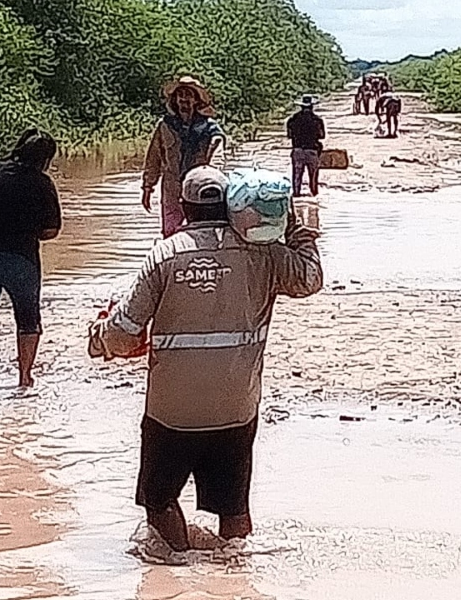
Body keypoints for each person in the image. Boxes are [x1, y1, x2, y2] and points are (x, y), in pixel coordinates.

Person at [88, 165, 322, 551]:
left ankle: (174, 570)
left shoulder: (163, 256)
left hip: (171, 413)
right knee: (233, 510)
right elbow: (310, 279)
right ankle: (235, 579)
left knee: (160, 502)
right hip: (237, 407)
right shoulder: (264, 253)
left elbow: (124, 332)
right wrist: (300, 230)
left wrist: (99, 340)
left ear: (183, 207)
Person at [0, 128, 61, 387]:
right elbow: (52, 230)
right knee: (28, 320)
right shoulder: (42, 183)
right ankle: (24, 377)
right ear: (45, 159)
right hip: (22, 262)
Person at [141, 76, 225, 238]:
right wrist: (147, 187)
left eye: (189, 95)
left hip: (198, 189)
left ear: (196, 101)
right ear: (175, 100)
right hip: (171, 189)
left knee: (200, 233)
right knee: (170, 234)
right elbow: (154, 159)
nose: (184, 99)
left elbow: (218, 158)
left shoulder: (210, 129)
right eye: (181, 95)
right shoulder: (165, 126)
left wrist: (211, 181)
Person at [286, 95, 326, 197]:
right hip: (312, 151)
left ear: (301, 107)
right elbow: (322, 136)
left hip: (298, 150)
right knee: (313, 177)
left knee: (296, 177)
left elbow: (289, 135)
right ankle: (314, 196)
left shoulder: (292, 120)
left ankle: (296, 196)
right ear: (312, 107)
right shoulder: (317, 120)